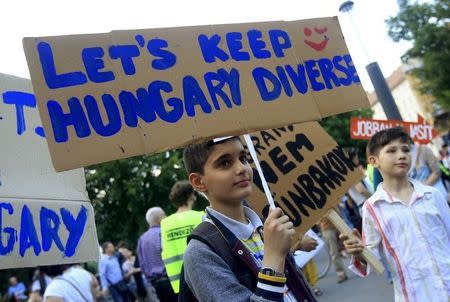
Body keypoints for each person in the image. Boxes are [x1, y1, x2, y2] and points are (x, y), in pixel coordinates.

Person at [180, 137, 316, 301]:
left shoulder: (266, 227)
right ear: (198, 181)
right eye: (225, 163)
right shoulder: (200, 253)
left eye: (243, 158)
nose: (242, 168)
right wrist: (273, 257)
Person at [340, 127, 450, 302]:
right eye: (392, 150)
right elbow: (373, 261)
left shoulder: (432, 195)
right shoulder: (372, 207)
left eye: (405, 149)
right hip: (415, 295)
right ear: (374, 161)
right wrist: (359, 251)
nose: (402, 155)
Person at [160, 181, 204, 295]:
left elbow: (164, 252)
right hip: (203, 279)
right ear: (190, 196)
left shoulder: (165, 224)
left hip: (180, 285)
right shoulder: (201, 216)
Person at [138, 207, 175, 302]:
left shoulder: (142, 239)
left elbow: (142, 264)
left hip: (156, 284)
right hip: (171, 281)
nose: (166, 216)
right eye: (164, 215)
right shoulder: (163, 233)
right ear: (159, 218)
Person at [319, 215, 348, 284]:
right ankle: (341, 273)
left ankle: (361, 264)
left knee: (350, 244)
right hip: (327, 227)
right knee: (334, 252)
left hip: (339, 223)